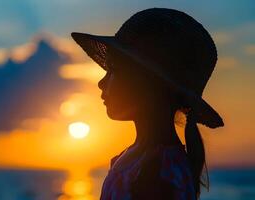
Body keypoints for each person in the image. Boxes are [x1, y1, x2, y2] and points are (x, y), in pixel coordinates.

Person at [71, 8, 224, 199]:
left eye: (113, 70)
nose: (101, 83)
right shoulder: (142, 160)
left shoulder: (155, 175)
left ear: (148, 83)